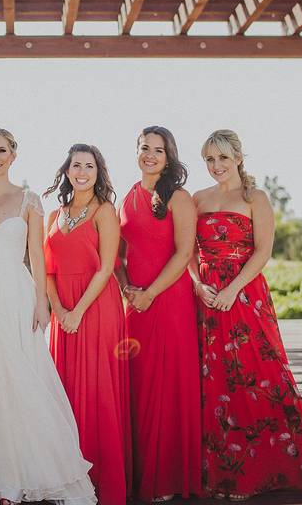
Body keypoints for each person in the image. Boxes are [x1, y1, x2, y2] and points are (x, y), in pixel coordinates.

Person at [0, 127, 96, 505]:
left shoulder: (29, 201)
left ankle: (14, 477)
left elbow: (38, 256)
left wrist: (42, 301)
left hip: (15, 294)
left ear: (14, 155)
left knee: (18, 377)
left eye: (2, 150)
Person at [193, 129, 302, 500]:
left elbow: (263, 251)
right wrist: (197, 285)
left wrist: (233, 289)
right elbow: (187, 250)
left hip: (245, 293)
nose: (216, 165)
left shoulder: (256, 197)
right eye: (209, 159)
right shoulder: (197, 198)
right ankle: (222, 472)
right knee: (214, 378)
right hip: (207, 293)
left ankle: (264, 470)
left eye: (222, 157)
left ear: (238, 157)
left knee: (257, 372)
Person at [116, 126, 203, 503]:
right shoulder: (126, 197)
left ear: (170, 157)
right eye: (145, 148)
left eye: (159, 150)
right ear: (136, 151)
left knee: (168, 385)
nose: (150, 155)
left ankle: (167, 477)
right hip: (135, 304)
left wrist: (151, 292)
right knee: (140, 385)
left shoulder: (179, 198)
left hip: (169, 302)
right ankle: (140, 474)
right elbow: (118, 255)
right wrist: (126, 288)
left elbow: (184, 253)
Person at [43, 144, 130, 505]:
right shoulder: (54, 214)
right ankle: (66, 478)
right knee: (62, 391)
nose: (81, 172)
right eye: (76, 165)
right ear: (67, 170)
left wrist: (77, 310)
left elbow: (107, 266)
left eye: (89, 166)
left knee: (95, 390)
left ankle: (102, 483)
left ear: (98, 173)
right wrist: (60, 309)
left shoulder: (105, 211)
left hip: (95, 307)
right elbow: (46, 269)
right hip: (61, 310)